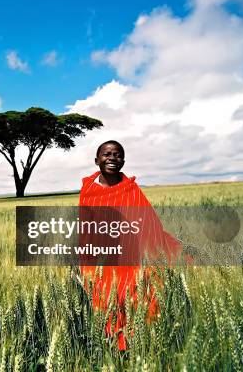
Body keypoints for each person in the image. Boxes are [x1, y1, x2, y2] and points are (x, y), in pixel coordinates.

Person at [78, 140, 182, 350]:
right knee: (109, 299)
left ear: (123, 161)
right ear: (96, 160)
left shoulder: (131, 189)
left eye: (117, 155)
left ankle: (140, 340)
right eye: (107, 154)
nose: (112, 159)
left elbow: (148, 221)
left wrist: (153, 246)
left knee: (137, 294)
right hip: (104, 257)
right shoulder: (89, 191)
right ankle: (116, 344)